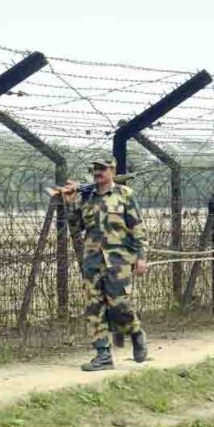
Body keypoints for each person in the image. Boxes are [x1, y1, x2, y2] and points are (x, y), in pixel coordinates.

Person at [63, 158, 149, 371]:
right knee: (94, 307)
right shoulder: (87, 197)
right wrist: (71, 202)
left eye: (102, 169)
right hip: (93, 261)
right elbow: (76, 226)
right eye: (94, 169)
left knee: (119, 305)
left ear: (112, 170)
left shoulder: (124, 194)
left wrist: (141, 257)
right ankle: (103, 355)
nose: (97, 172)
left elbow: (137, 227)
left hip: (118, 261)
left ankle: (136, 332)